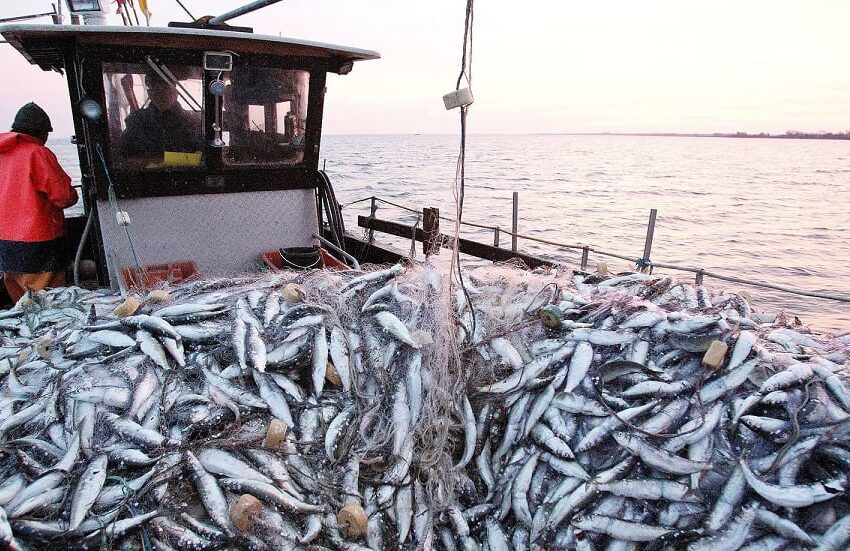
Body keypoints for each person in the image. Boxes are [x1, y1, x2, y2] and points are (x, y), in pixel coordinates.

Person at [0, 102, 77, 303]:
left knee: (23, 307)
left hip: (6, 246)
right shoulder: (38, 153)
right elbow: (63, 197)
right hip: (38, 245)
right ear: (42, 133)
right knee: (50, 306)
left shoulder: (2, 154)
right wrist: (73, 196)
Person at [118, 73, 203, 167]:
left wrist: (160, 160)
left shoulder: (193, 122)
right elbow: (124, 157)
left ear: (176, 93)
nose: (162, 94)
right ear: (150, 94)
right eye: (157, 89)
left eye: (166, 88)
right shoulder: (136, 121)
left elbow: (203, 159)